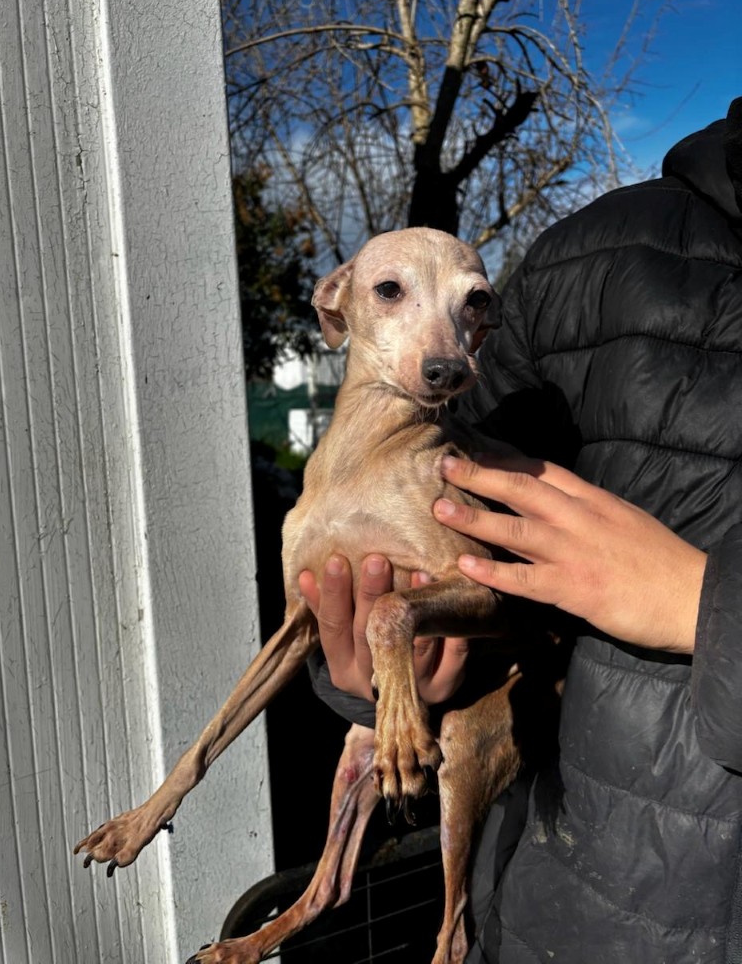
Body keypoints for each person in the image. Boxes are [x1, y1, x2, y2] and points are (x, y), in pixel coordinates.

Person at [300, 96, 742, 963]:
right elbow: (426, 527)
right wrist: (371, 678)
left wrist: (705, 606)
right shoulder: (582, 260)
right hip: (551, 913)